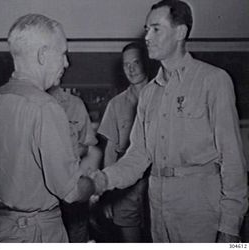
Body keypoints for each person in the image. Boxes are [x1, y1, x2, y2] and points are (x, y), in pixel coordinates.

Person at [90, 0, 248, 243]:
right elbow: (138, 156)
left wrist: (231, 226)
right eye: (146, 29)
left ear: (180, 32)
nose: (147, 37)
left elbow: (233, 159)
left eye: (156, 29)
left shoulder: (213, 81)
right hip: (159, 211)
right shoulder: (149, 94)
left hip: (202, 213)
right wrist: (103, 179)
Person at [0, 14, 99, 243]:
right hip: (33, 232)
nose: (66, 63)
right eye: (63, 53)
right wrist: (95, 182)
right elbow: (71, 192)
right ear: (43, 55)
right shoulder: (45, 107)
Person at [97, 43, 151, 242]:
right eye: (126, 64)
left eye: (136, 62)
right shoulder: (116, 104)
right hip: (126, 184)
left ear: (146, 63)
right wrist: (108, 194)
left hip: (157, 178)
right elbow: (110, 150)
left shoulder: (163, 96)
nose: (131, 69)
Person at [48, 86, 100, 242]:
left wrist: (71, 152)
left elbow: (87, 145)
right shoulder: (29, 102)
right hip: (42, 194)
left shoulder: (74, 104)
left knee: (77, 234)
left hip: (72, 188)